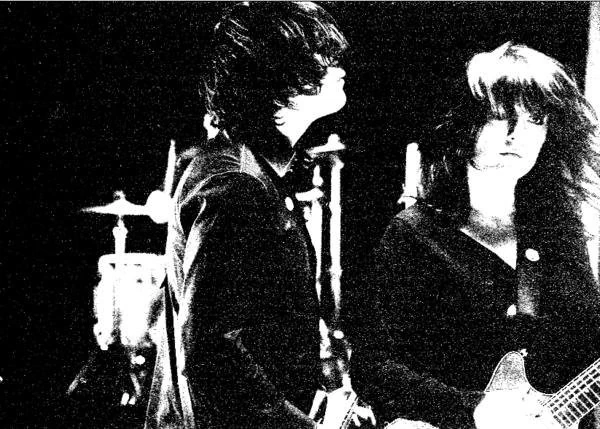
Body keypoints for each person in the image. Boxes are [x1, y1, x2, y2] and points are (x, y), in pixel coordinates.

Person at [145, 2, 371, 428]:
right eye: (322, 56)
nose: (339, 67)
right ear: (276, 76)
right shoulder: (237, 185)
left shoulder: (249, 171)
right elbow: (213, 356)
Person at [352, 42, 600, 429]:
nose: (517, 135)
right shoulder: (414, 233)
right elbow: (373, 368)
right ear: (465, 126)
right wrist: (471, 409)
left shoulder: (559, 231)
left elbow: (588, 347)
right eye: (500, 117)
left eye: (535, 120)